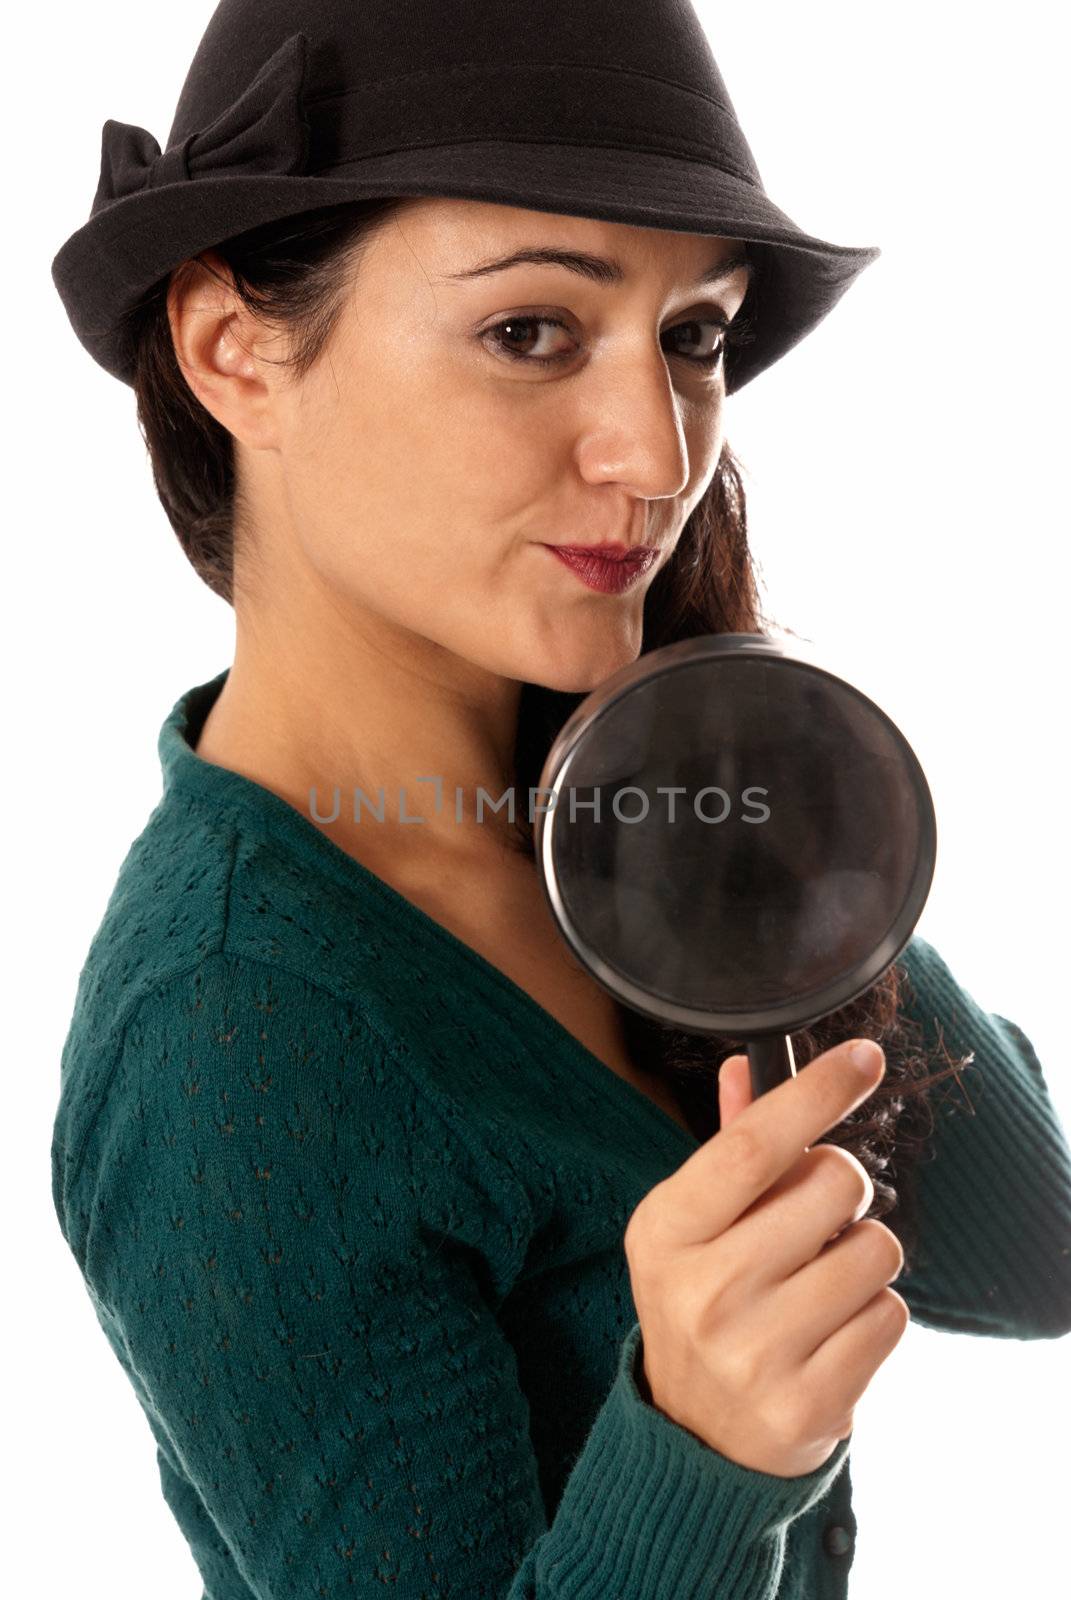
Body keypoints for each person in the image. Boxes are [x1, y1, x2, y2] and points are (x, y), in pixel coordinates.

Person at [49, 3, 1071, 1596]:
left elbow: (1039, 1255)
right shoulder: (235, 1039)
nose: (658, 452)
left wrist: (789, 858)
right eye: (531, 330)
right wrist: (702, 1449)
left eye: (695, 338)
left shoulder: (653, 804)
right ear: (232, 347)